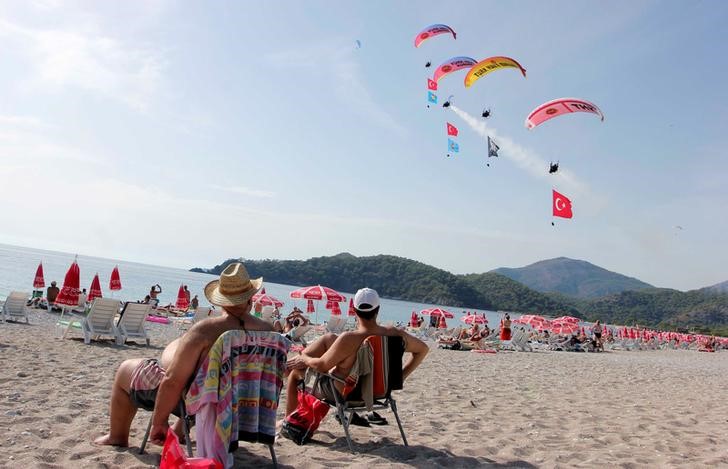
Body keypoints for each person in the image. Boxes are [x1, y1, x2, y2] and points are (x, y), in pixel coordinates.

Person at [93, 262, 272, 447]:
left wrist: (159, 422)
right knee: (204, 377)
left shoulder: (207, 330)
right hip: (247, 405)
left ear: (220, 300)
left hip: (202, 403)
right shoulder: (270, 332)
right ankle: (179, 431)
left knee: (125, 369)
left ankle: (117, 437)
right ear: (250, 298)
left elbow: (172, 381)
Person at [285, 288, 428, 417]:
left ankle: (289, 421)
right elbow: (423, 349)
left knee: (295, 373)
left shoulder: (350, 338)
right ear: (377, 310)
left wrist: (304, 357)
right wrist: (399, 378)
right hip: (380, 392)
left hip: (348, 395)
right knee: (329, 338)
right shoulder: (396, 335)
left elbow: (322, 366)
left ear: (354, 310)